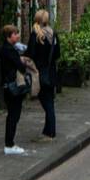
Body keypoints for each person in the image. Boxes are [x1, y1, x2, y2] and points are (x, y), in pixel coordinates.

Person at [24, 8, 60, 139]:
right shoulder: (53, 34)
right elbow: (58, 54)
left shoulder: (36, 35)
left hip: (39, 73)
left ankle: (51, 131)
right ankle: (47, 130)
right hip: (51, 72)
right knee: (49, 100)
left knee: (46, 103)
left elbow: (31, 53)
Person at [0, 23, 29, 154]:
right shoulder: (10, 50)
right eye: (15, 34)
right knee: (14, 115)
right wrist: (22, 62)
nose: (17, 36)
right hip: (12, 86)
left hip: (6, 86)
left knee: (12, 115)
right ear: (9, 36)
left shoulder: (4, 49)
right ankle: (9, 145)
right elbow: (20, 67)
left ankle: (9, 143)